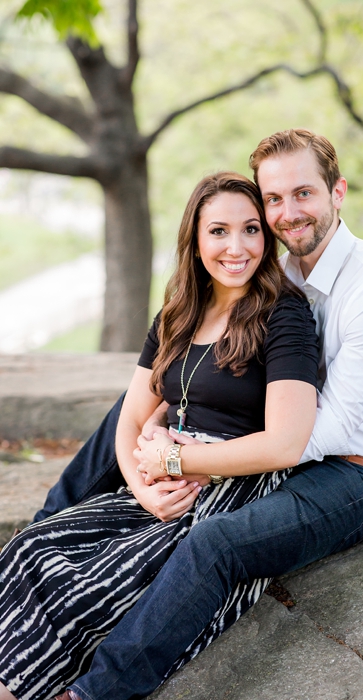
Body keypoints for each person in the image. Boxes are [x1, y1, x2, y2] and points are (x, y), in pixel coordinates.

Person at [31, 129, 363, 700]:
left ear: (337, 192)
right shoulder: (277, 271)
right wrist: (164, 416)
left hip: (356, 472)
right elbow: (229, 373)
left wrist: (190, 456)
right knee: (130, 406)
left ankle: (94, 692)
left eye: (303, 194)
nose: (287, 213)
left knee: (215, 544)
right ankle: (48, 530)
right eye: (273, 200)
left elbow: (322, 430)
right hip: (285, 447)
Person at [0, 171, 321, 700]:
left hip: (228, 490)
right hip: (159, 483)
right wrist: (143, 483)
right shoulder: (178, 313)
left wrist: (176, 463)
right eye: (218, 231)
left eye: (251, 230)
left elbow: (285, 443)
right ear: (195, 241)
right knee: (30, 548)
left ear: (267, 237)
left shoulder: (284, 315)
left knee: (88, 588)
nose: (236, 247)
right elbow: (129, 419)